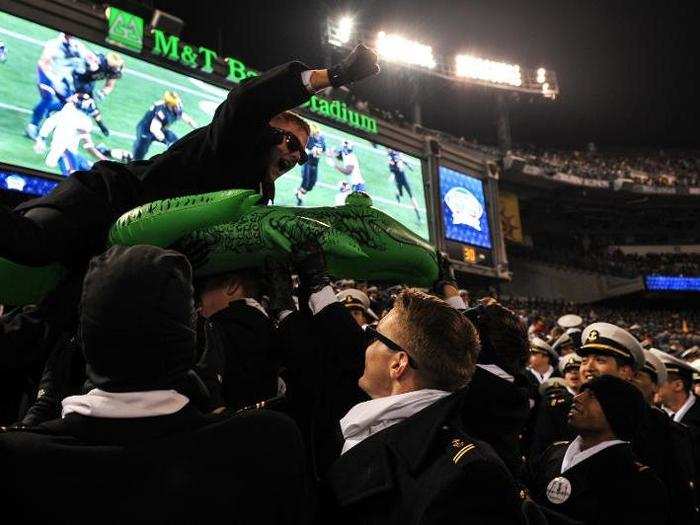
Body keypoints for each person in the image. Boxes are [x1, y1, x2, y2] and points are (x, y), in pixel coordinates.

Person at [0, 244, 312, 524]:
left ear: (85, 340)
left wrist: (40, 414)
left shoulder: (18, 461)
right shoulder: (265, 443)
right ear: (191, 339)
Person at [1, 44, 380, 268]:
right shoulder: (232, 146)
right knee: (32, 247)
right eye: (291, 142)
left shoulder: (255, 197)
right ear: (264, 132)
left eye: (302, 153)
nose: (295, 157)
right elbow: (248, 100)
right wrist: (336, 74)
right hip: (103, 202)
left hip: (120, 250)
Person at [320, 289, 526, 523]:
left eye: (375, 337)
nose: (366, 346)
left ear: (398, 364)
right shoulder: (364, 427)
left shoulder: (469, 473)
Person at [577, 322, 699, 525]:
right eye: (584, 360)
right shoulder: (570, 414)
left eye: (599, 360)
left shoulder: (657, 427)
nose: (588, 367)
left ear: (626, 372)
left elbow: (677, 502)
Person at [527, 375, 668, 524]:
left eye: (592, 396)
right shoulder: (554, 452)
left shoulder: (638, 480)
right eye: (582, 392)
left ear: (617, 411)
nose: (577, 398)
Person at [195, 269, 279, 411]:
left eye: (202, 287)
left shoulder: (221, 325)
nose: (197, 299)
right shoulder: (268, 326)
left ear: (232, 285)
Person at [33, 93, 115, 176]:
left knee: (92, 170)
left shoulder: (65, 111)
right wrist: (104, 160)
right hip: (64, 152)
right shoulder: (83, 121)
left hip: (67, 151)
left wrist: (41, 139)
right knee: (72, 178)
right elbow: (89, 147)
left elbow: (48, 123)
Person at [26, 32, 90, 138]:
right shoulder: (54, 44)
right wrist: (53, 80)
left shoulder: (78, 46)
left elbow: (88, 58)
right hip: (48, 75)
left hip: (63, 79)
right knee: (48, 97)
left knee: (69, 103)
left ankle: (49, 110)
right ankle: (33, 125)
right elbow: (43, 63)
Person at [132, 91, 198, 160]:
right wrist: (165, 140)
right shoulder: (161, 111)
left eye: (177, 104)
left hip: (160, 129)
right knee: (139, 154)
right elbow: (154, 128)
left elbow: (187, 119)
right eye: (175, 105)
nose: (177, 107)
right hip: (146, 130)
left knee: (176, 144)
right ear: (168, 104)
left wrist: (197, 128)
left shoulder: (175, 107)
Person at [295, 125, 326, 205]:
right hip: (307, 163)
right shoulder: (309, 139)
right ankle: (299, 197)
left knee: (312, 184)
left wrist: (319, 152)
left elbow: (324, 150)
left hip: (315, 164)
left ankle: (298, 192)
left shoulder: (321, 139)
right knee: (306, 181)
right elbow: (303, 150)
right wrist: (311, 151)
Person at [387, 149, 420, 221]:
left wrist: (409, 166)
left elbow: (402, 160)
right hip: (398, 181)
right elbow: (392, 168)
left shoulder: (397, 156)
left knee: (411, 196)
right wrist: (393, 173)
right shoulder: (391, 160)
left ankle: (418, 216)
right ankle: (397, 195)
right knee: (401, 194)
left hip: (404, 180)